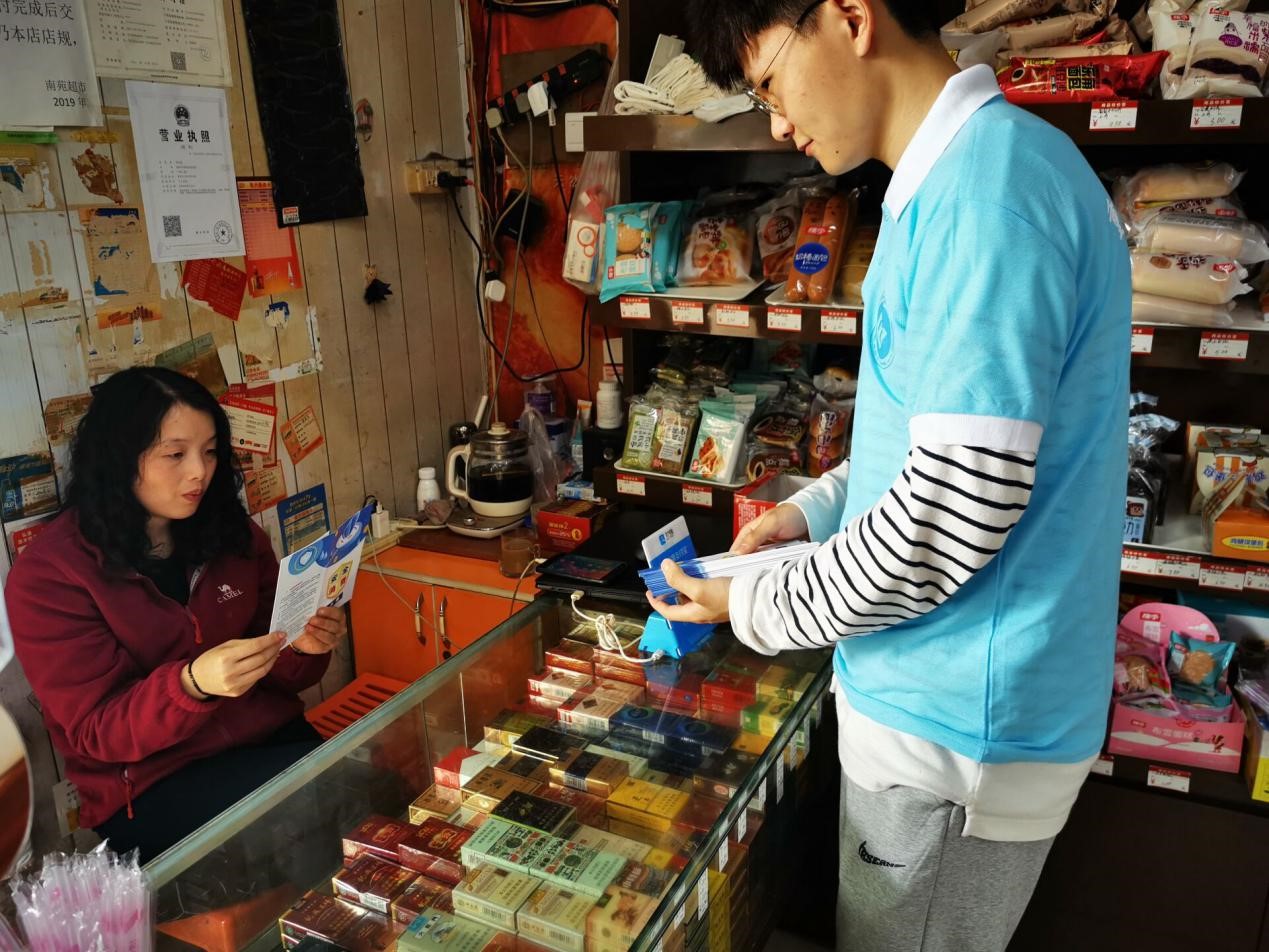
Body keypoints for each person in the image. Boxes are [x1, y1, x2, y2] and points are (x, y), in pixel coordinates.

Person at [651, 3, 1130, 950]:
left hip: (956, 732)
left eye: (769, 83)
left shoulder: (985, 199)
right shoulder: (957, 179)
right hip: (939, 705)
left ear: (849, 17)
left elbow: (946, 520)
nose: (777, 125)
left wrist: (752, 603)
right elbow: (932, 445)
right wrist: (812, 513)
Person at [5, 367, 347, 863]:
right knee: (316, 818)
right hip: (149, 785)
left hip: (265, 740)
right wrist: (191, 685)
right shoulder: (51, 575)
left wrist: (304, 647)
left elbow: (284, 671)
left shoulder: (230, 533)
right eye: (175, 454)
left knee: (371, 781)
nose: (199, 472)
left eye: (210, 451)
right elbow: (96, 730)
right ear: (120, 457)